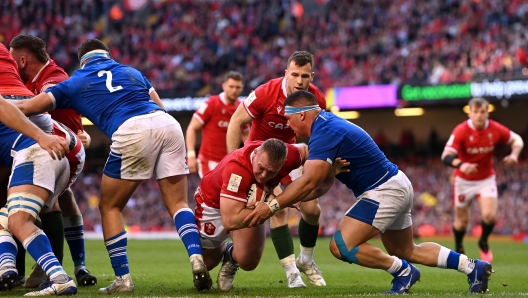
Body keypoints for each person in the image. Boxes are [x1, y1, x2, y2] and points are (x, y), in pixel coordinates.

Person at [244, 90, 494, 295]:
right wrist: (295, 198)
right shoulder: (327, 127)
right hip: (395, 183)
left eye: (288, 117)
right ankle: (472, 267)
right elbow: (321, 184)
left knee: (341, 246)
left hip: (382, 189)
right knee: (406, 250)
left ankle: (404, 273)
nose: (287, 123)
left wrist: (273, 205)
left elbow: (309, 182)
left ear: (303, 114)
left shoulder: (323, 133)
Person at [12, 39, 211, 293]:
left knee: (109, 207)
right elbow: (160, 106)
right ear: (107, 56)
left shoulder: (75, 81)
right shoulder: (132, 72)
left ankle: (123, 279)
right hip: (167, 124)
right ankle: (196, 259)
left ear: (82, 60)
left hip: (130, 129)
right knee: (179, 204)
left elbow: (28, 107)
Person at [226, 51, 327, 288]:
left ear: (311, 76)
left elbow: (321, 135)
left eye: (304, 76)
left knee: (312, 210)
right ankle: (291, 272)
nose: (299, 81)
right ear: (286, 73)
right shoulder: (265, 93)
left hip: (291, 156)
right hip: (261, 161)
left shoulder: (317, 99)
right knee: (278, 209)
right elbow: (236, 121)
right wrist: (232, 161)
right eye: (294, 74)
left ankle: (306, 260)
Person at [196, 138, 348, 291]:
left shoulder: (292, 156)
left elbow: (309, 152)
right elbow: (230, 221)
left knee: (248, 261)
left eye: (271, 172)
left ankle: (231, 255)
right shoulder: (237, 169)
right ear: (255, 154)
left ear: (283, 164)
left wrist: (328, 172)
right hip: (212, 205)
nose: (263, 175)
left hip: (249, 202)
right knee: (208, 262)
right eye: (261, 168)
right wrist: (273, 205)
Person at [9, 34, 97, 288]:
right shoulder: (36, 78)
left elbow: (41, 104)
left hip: (61, 149)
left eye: (13, 62)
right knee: (59, 201)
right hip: (52, 146)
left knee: (45, 204)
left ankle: (47, 267)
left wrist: (7, 105)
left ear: (23, 60)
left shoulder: (53, 78)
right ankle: (73, 266)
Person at [0, 94, 76, 295]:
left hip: (37, 153)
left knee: (19, 221)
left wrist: (41, 137)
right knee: (4, 219)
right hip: (52, 156)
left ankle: (59, 278)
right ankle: (6, 268)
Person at [441, 97, 523, 262]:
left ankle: (483, 241)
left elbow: (517, 140)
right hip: (463, 180)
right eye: (475, 112)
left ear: (487, 113)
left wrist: (514, 154)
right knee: (461, 222)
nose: (479, 115)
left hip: (485, 178)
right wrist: (461, 164)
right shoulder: (461, 130)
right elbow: (446, 156)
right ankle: (459, 247)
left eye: (482, 112)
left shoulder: (495, 129)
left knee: (490, 216)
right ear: (469, 113)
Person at [185, 71, 249, 178]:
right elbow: (192, 128)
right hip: (209, 161)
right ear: (224, 86)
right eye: (231, 86)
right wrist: (191, 155)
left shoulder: (241, 108)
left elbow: (247, 136)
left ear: (242, 88)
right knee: (213, 193)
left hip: (230, 163)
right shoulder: (212, 104)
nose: (234, 90)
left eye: (237, 87)